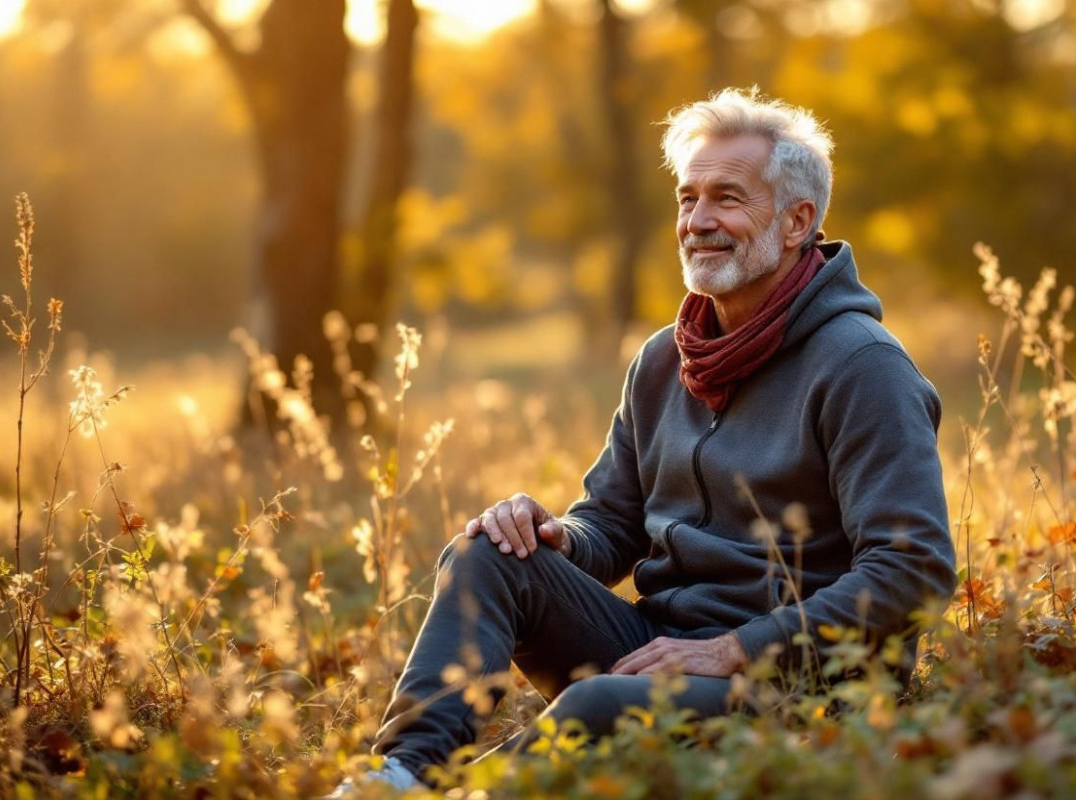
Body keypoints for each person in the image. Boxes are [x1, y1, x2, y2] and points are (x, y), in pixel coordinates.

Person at [337, 88, 955, 794]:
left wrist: (736, 650)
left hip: (802, 681)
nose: (698, 220)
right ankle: (400, 775)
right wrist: (557, 537)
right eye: (687, 199)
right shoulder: (667, 357)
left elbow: (914, 571)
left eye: (728, 197)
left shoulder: (861, 366)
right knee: (487, 553)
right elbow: (612, 524)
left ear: (796, 222)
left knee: (597, 706)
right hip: (660, 649)